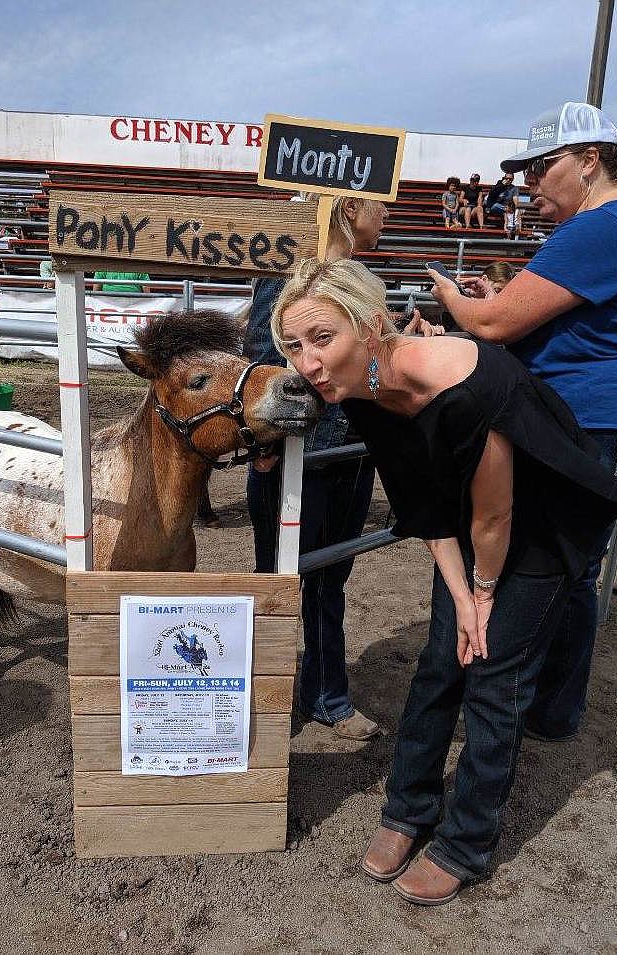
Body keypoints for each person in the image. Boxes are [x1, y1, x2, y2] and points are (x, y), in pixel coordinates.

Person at [270, 255, 617, 903]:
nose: (307, 363)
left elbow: (497, 514)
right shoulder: (362, 388)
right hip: (471, 520)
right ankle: (408, 808)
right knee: (441, 659)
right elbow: (425, 503)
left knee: (491, 672)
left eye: (323, 338)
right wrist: (461, 594)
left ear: (372, 325)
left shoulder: (463, 381)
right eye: (294, 345)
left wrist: (481, 598)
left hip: (543, 520)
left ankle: (467, 842)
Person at [431, 101, 617, 743]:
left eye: (544, 167)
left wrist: (452, 298)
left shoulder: (602, 228)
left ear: (591, 160)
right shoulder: (610, 228)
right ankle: (553, 709)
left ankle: (519, 701)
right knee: (573, 568)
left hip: (580, 422)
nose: (531, 184)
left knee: (548, 566)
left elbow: (492, 326)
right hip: (589, 417)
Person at [244, 195, 441, 742]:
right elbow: (264, 359)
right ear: (352, 208)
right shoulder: (290, 279)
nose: (388, 217)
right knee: (284, 579)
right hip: (300, 454)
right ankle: (280, 691)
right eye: (381, 207)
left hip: (347, 452)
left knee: (329, 577)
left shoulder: (355, 280)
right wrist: (270, 445)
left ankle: (321, 689)